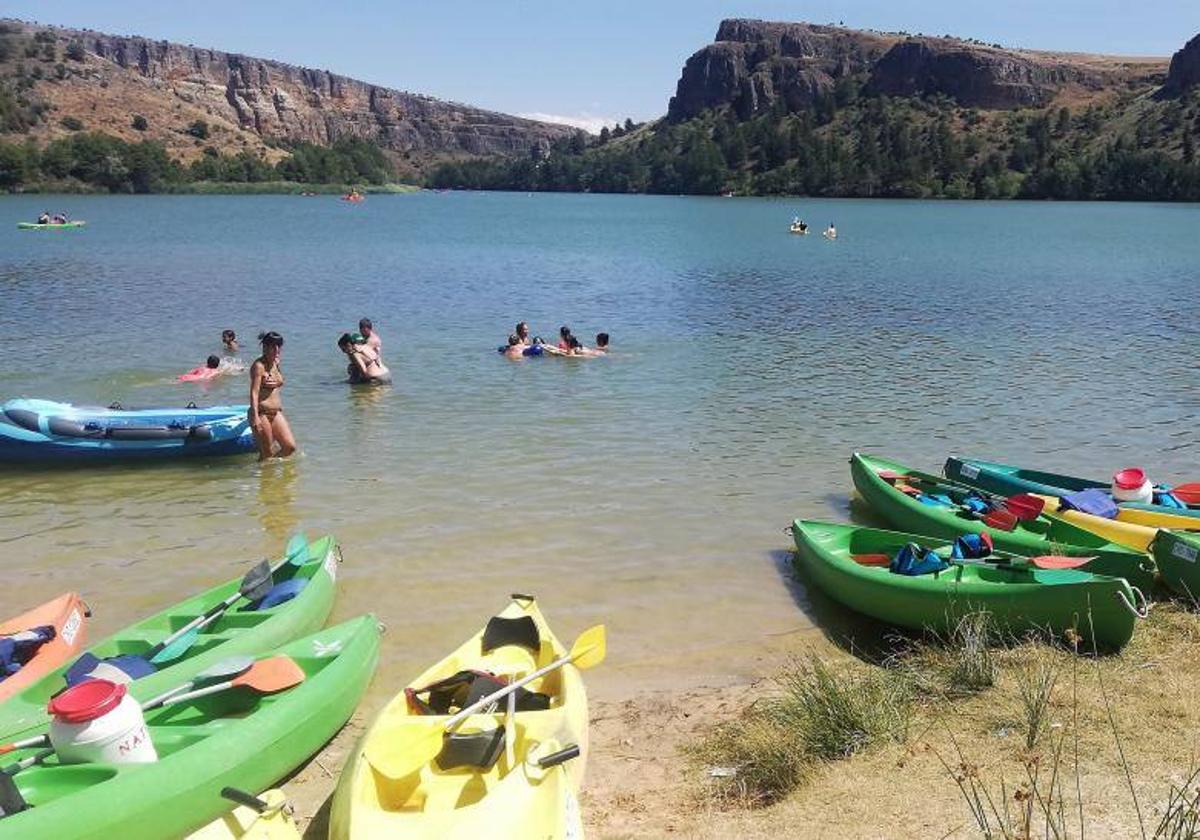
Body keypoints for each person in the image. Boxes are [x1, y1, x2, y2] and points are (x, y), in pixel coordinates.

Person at [248, 331, 296, 461]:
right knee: (267, 453)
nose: (276, 349)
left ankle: (270, 470)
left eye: (278, 346)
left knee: (290, 447)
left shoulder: (275, 362)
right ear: (265, 347)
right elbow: (254, 392)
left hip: (276, 413)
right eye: (273, 346)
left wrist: (277, 382)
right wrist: (255, 417)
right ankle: (265, 476)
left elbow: (280, 380)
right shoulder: (259, 366)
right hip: (262, 412)